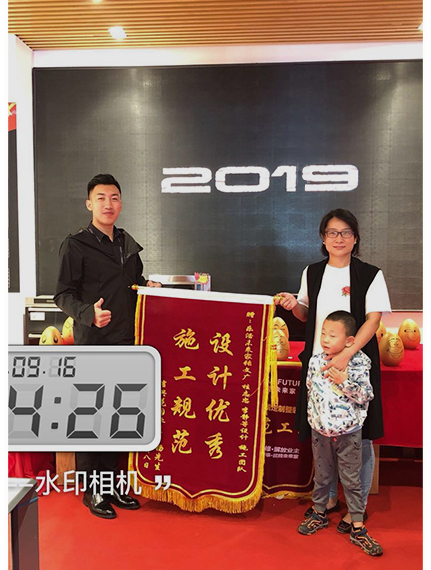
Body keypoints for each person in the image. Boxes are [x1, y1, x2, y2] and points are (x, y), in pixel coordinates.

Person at [275, 208, 391, 531]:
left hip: (354, 368)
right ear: (323, 238)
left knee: (360, 437)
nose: (339, 239)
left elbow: (373, 320)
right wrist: (294, 306)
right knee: (321, 436)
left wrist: (347, 354)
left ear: (355, 238)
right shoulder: (312, 272)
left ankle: (357, 508)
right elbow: (305, 313)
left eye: (346, 233)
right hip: (318, 368)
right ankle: (327, 501)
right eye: (332, 233)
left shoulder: (370, 274)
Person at [54, 173, 161, 519]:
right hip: (94, 344)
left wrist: (148, 287)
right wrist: (88, 313)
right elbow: (62, 295)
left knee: (121, 417)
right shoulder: (76, 245)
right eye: (101, 198)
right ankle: (93, 491)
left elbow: (132, 285)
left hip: (127, 343)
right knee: (93, 417)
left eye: (114, 198)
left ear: (121, 204)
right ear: (89, 204)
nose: (108, 204)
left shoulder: (127, 246)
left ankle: (113, 485)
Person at [297, 311, 383, 556]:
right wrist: (314, 421)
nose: (325, 339)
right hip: (320, 432)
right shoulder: (315, 361)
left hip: (349, 433)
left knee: (351, 480)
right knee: (322, 476)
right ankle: (319, 513)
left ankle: (357, 526)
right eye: (323, 333)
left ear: (349, 341)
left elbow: (366, 395)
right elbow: (310, 391)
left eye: (332, 335)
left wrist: (344, 381)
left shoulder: (360, 362)